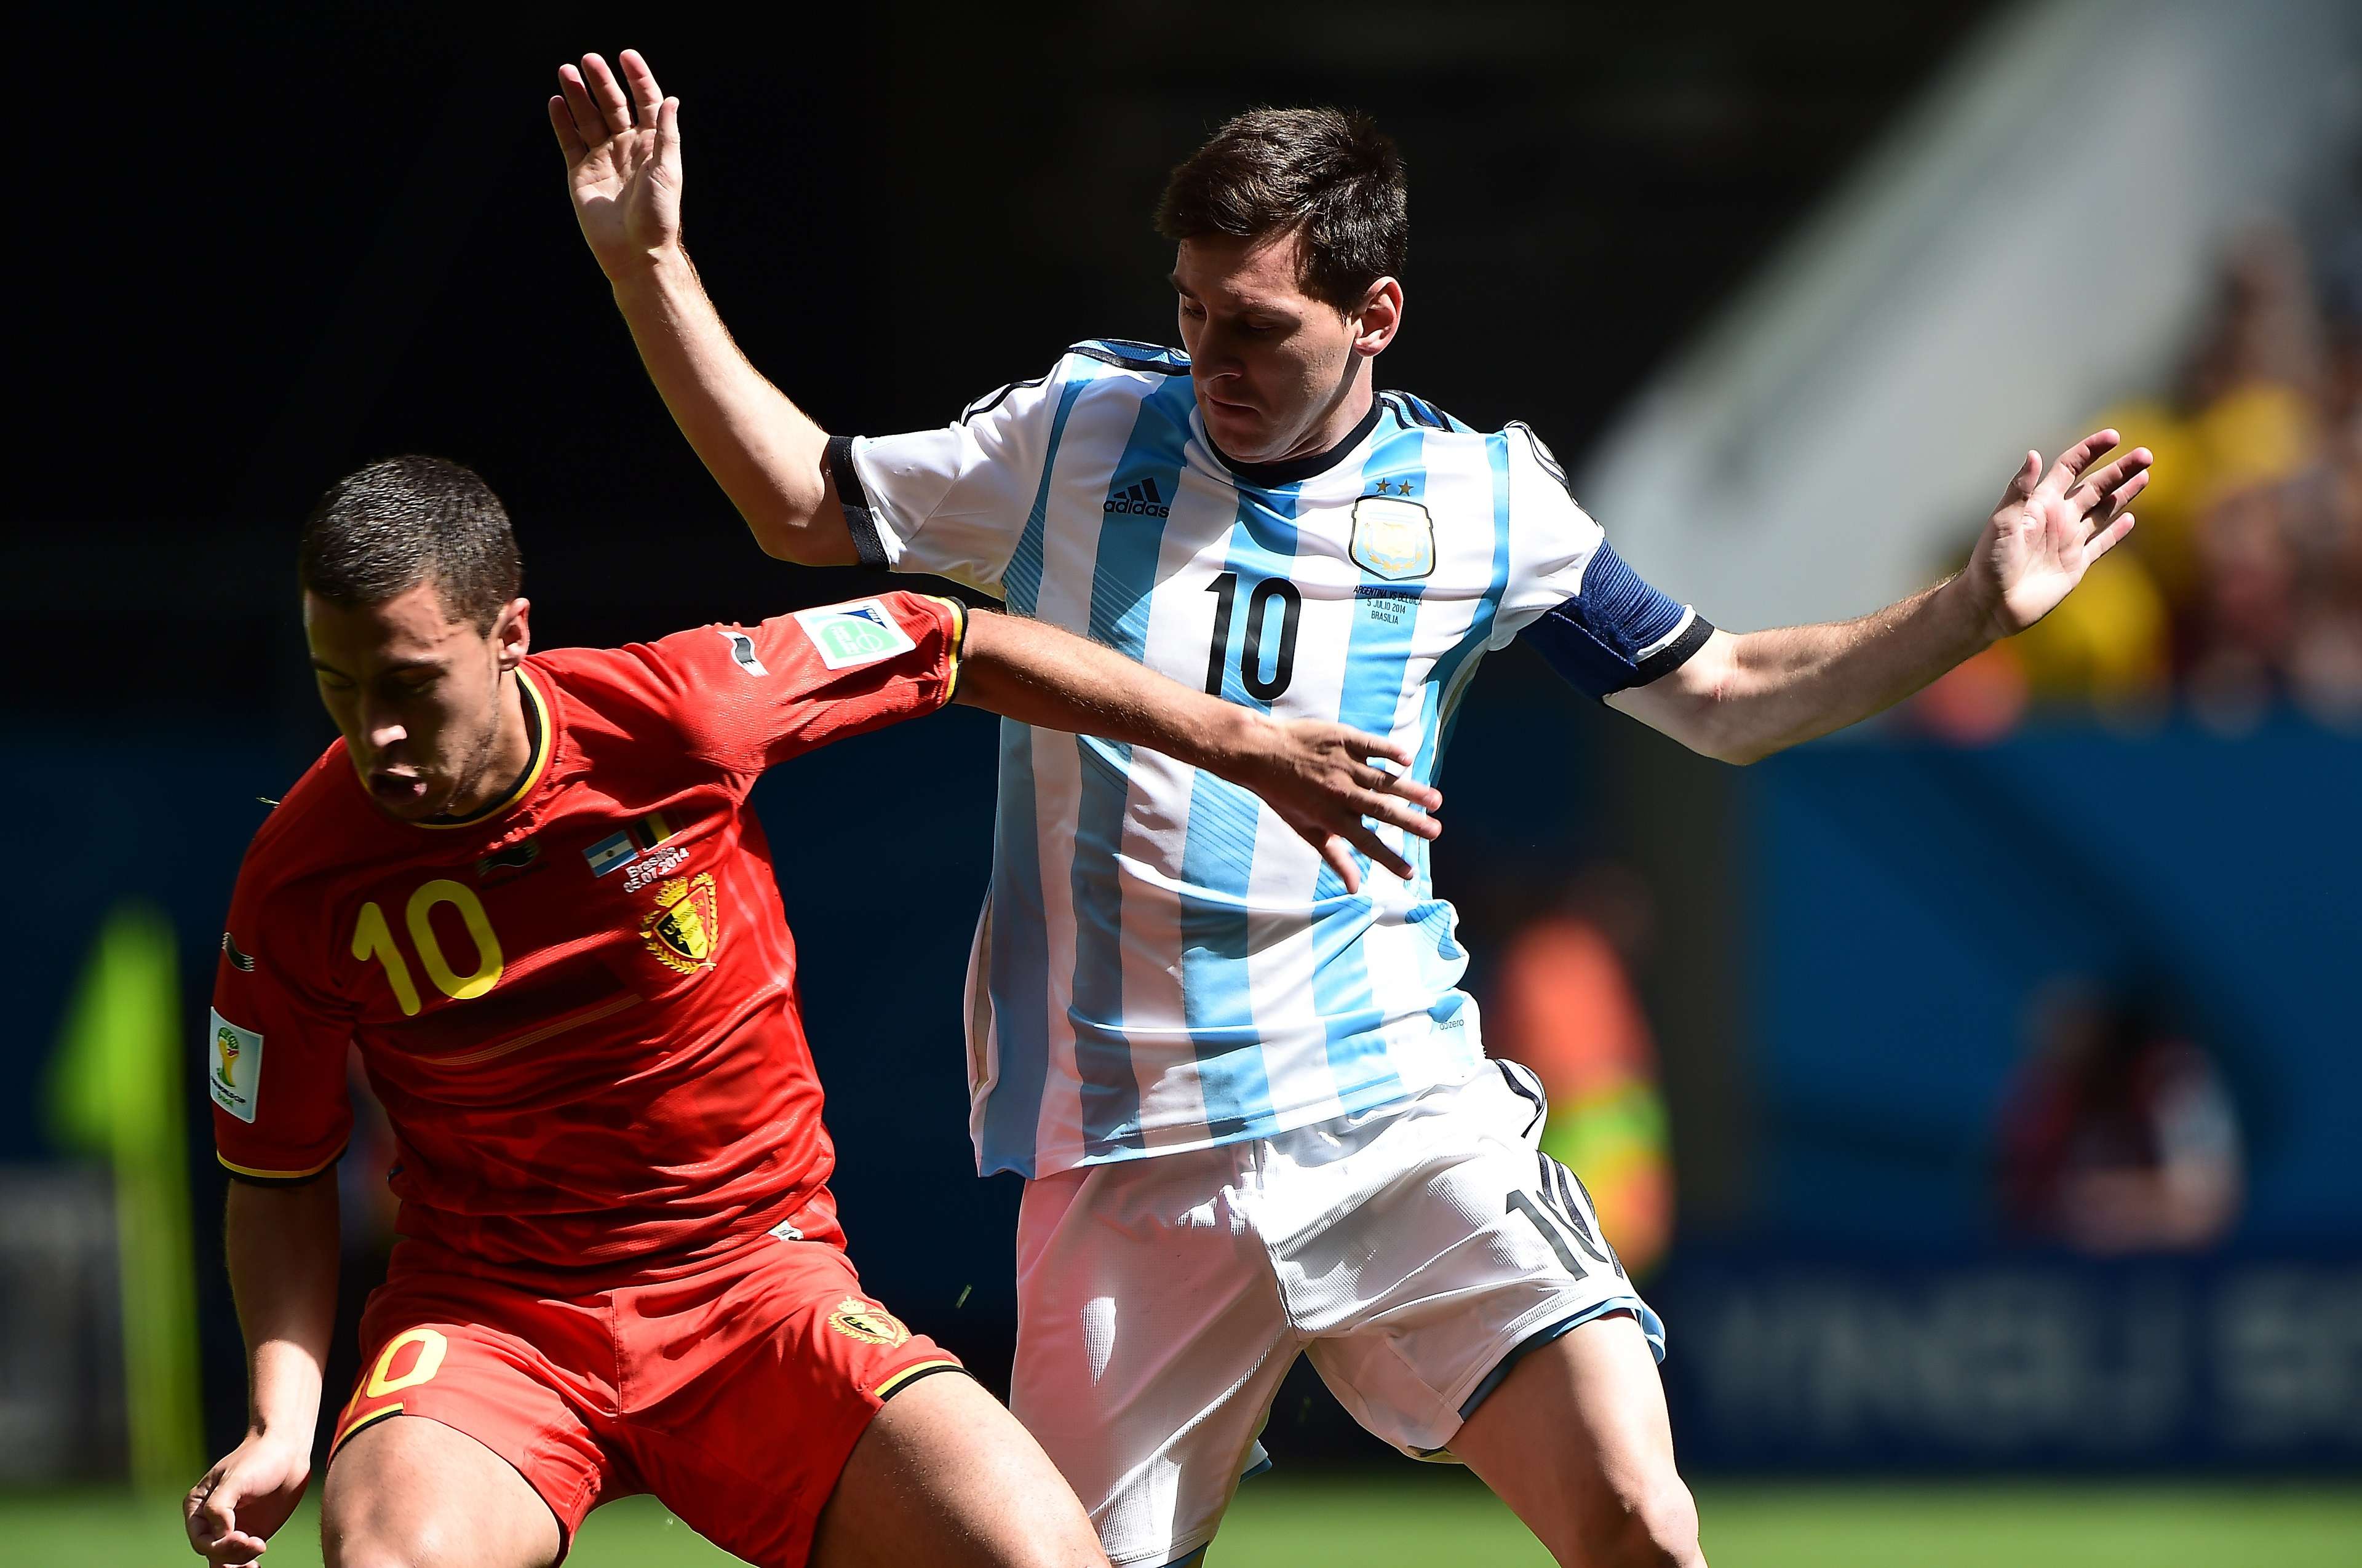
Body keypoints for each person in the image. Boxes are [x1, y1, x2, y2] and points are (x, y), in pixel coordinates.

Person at [551, 50, 2150, 1568]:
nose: (1211, 365)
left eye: (1254, 328)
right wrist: (647, 266)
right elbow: (799, 503)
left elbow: (1723, 692)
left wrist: (1966, 610)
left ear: (1375, 311)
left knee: (1640, 1520)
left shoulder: (1485, 501)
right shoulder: (1080, 428)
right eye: (1189, 314)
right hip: (1124, 1150)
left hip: (1392, 1106)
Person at [182, 455, 1438, 1568]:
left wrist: (1235, 738)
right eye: (338, 687)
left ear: (510, 632)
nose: (377, 735)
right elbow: (275, 1169)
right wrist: (281, 1422)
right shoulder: (299, 876)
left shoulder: (677, 714)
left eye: (410, 683)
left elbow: (956, 642)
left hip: (754, 1286)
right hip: (494, 1321)